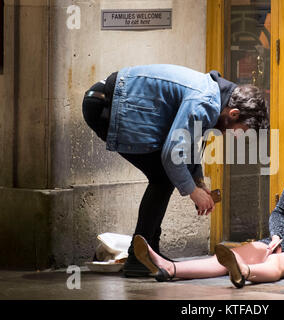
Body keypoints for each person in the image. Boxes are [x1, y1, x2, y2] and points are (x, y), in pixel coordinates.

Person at [132, 117, 284, 287]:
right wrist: (277, 235)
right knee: (230, 256)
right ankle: (168, 268)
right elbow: (280, 211)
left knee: (279, 263)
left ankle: (244, 274)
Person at [82, 64, 268, 277]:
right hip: (105, 104)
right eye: (240, 132)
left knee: (163, 177)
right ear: (233, 113)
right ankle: (139, 255)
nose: (234, 137)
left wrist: (198, 182)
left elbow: (186, 143)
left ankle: (147, 252)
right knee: (162, 177)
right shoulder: (205, 103)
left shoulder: (215, 97)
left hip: (110, 99)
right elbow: (172, 153)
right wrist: (192, 191)